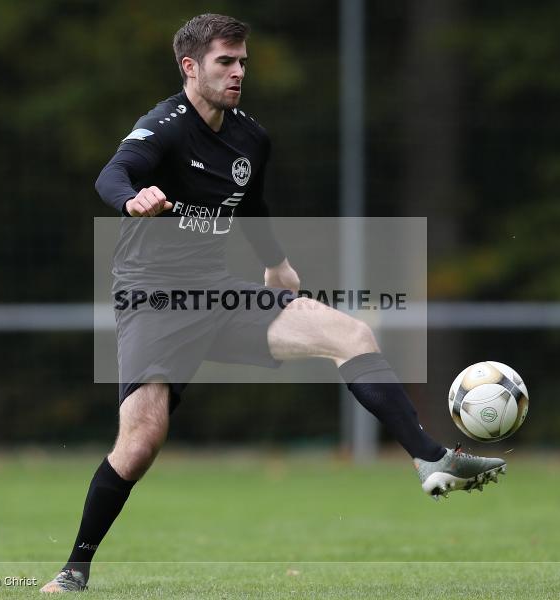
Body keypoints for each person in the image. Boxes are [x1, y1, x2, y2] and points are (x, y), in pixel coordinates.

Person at [40, 14, 506, 593]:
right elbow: (112, 174)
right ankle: (75, 569)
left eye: (242, 62)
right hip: (154, 297)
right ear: (190, 68)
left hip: (216, 290)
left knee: (352, 335)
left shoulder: (250, 138)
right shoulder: (163, 127)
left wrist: (276, 263)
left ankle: (430, 458)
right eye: (224, 62)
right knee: (138, 446)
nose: (238, 72)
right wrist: (132, 199)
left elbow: (251, 204)